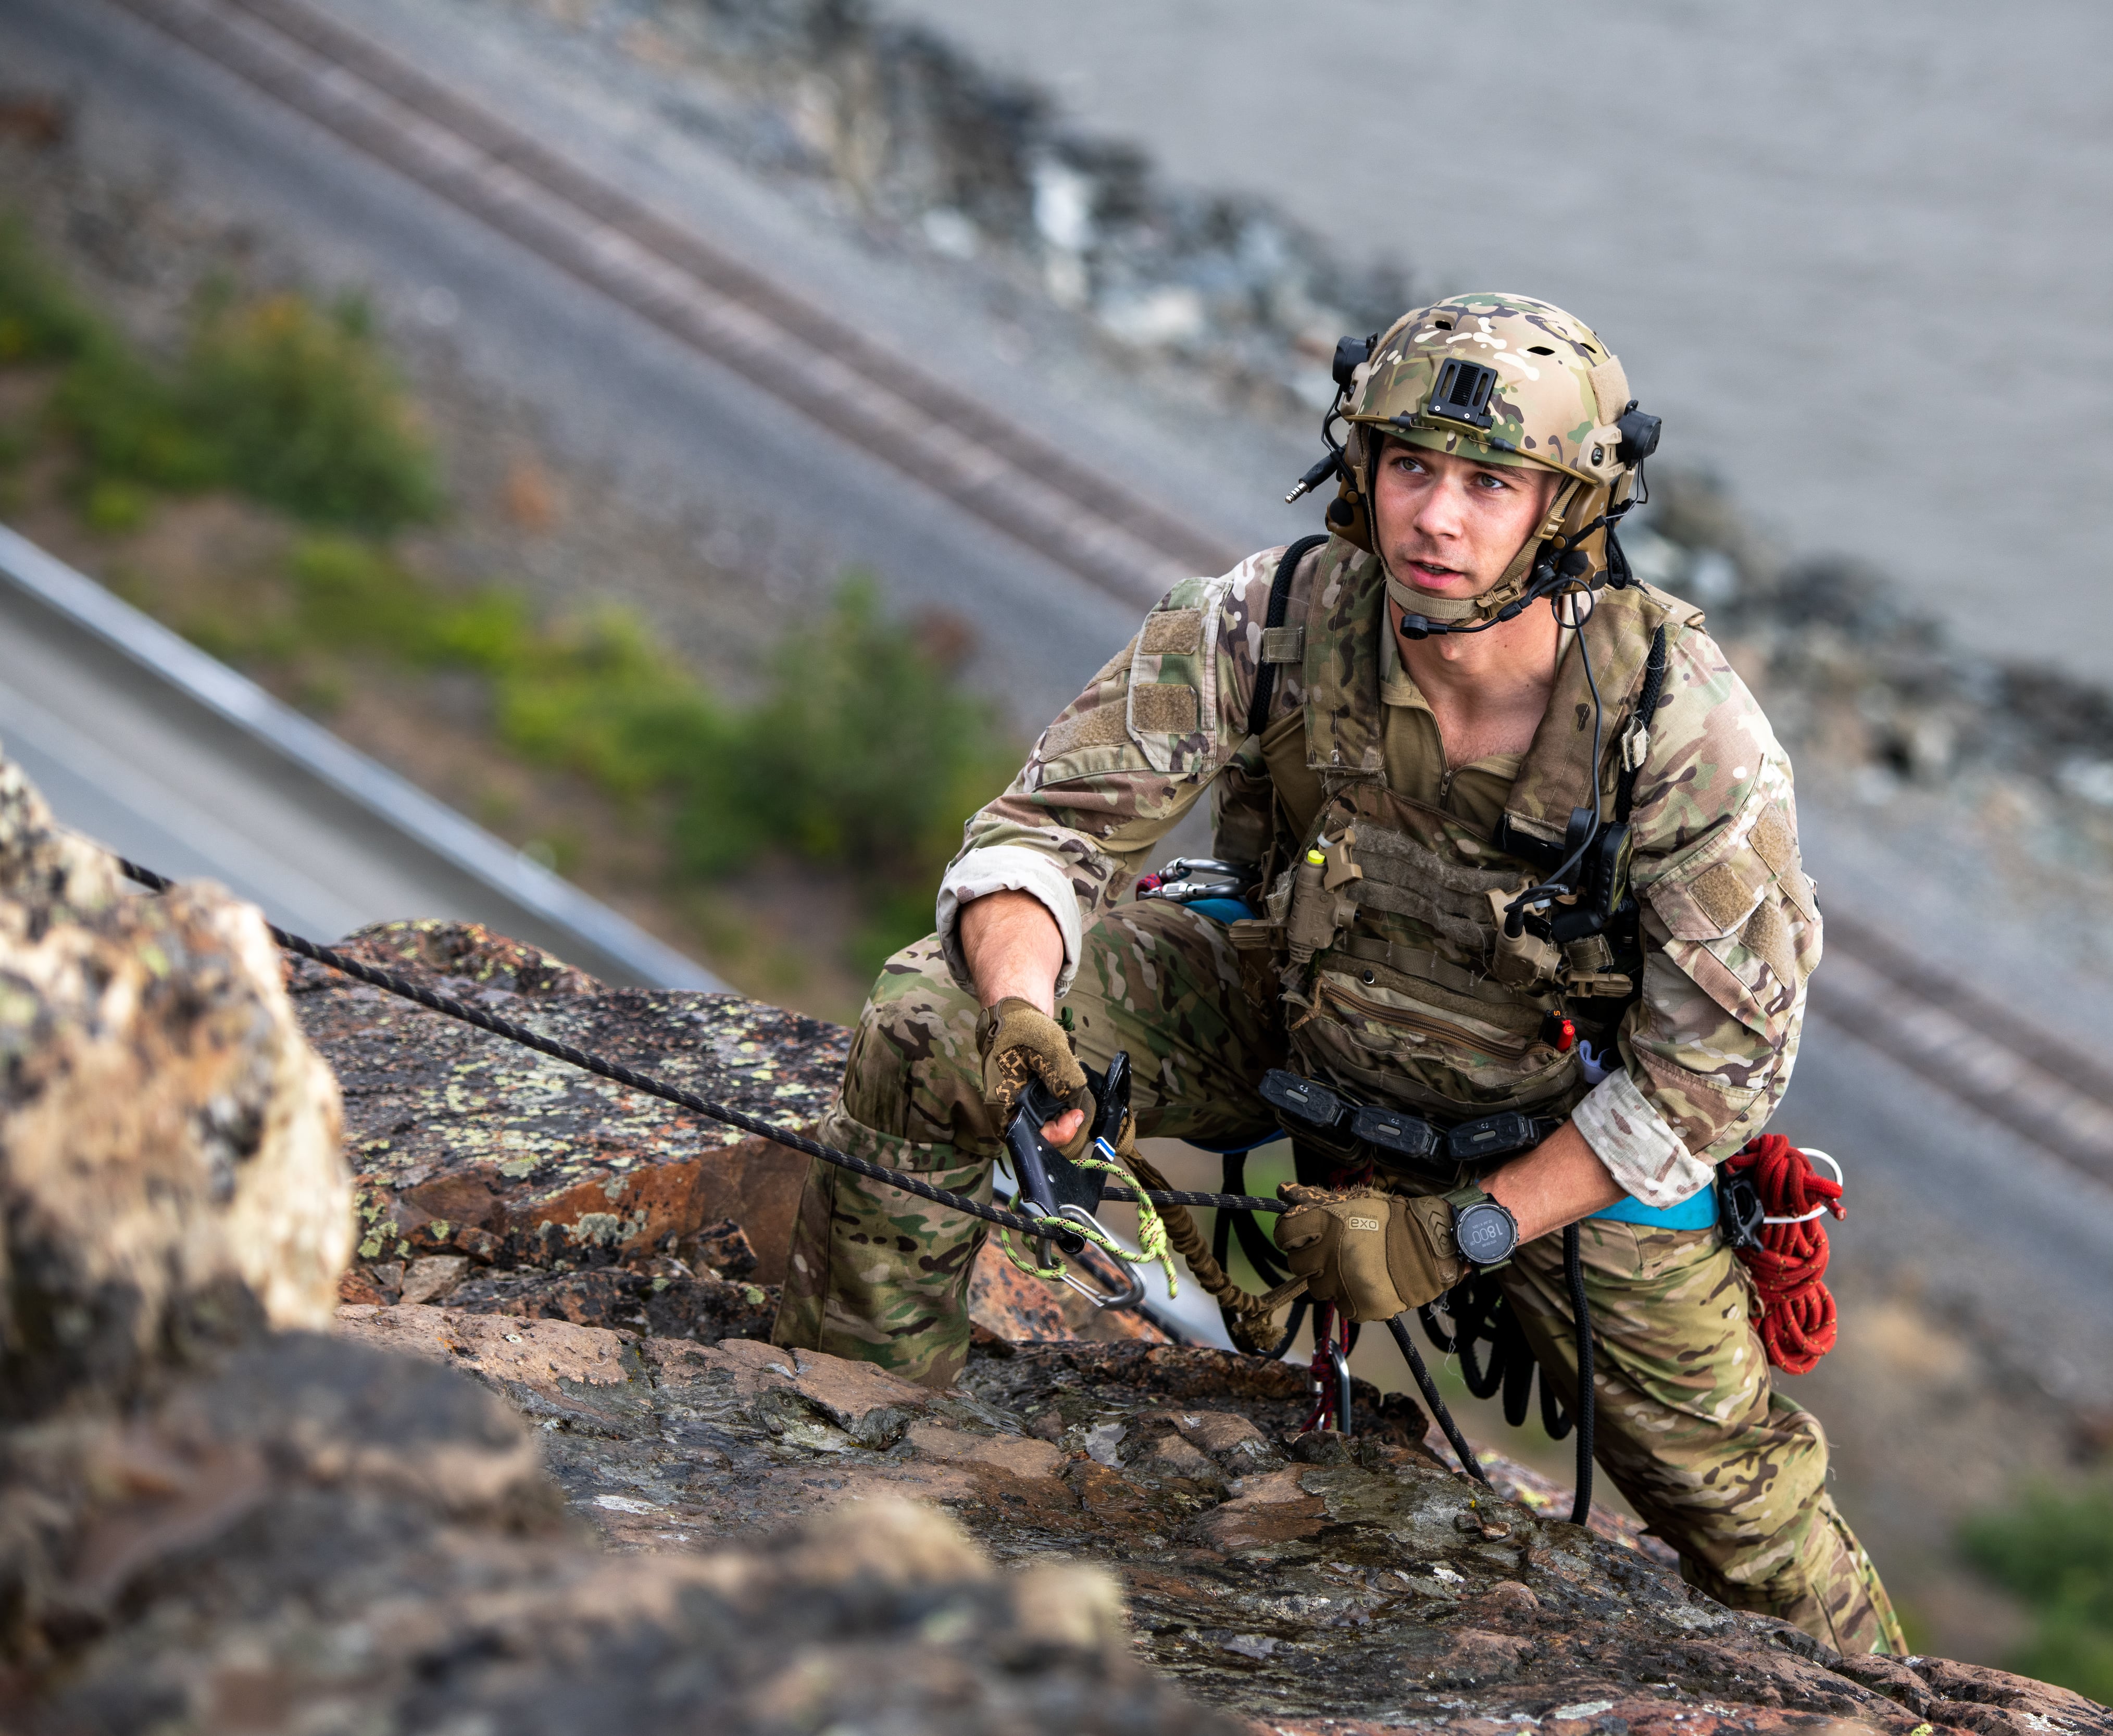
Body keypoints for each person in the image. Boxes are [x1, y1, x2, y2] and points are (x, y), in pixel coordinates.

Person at [771, 291, 1902, 1653]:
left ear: (1567, 509)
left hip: (1559, 1133)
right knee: (931, 1021)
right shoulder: (1278, 617)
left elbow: (1712, 1075)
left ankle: (1884, 1699)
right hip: (1303, 1024)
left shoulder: (1681, 731)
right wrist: (1021, 1010)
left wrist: (1459, 1231)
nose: (1437, 516)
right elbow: (1043, 836)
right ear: (1358, 466)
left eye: (1490, 483)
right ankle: (847, 1439)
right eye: (1409, 466)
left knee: (1737, 1510)